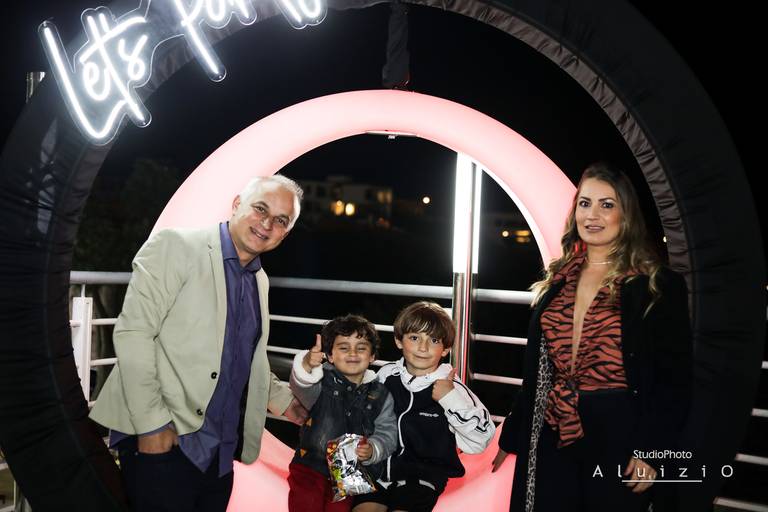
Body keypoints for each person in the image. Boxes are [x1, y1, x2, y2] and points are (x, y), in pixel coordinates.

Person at [90, 175, 306, 512]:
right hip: (165, 440)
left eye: (281, 220)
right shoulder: (176, 246)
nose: (267, 224)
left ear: (286, 232)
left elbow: (242, 357)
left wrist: (286, 403)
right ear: (237, 204)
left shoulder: (258, 279)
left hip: (221, 453)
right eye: (260, 209)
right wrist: (152, 426)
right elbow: (134, 334)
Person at [492, 163, 693, 512]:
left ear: (626, 215)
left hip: (620, 433)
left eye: (607, 205)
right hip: (554, 429)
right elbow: (538, 373)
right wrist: (512, 436)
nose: (592, 215)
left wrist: (652, 451)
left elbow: (674, 381)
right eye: (585, 204)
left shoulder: (656, 285)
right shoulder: (558, 280)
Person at [353, 301, 496, 512]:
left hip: (422, 478)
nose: (423, 347)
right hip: (379, 469)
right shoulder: (386, 375)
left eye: (434, 340)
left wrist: (449, 399)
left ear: (446, 349)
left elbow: (482, 438)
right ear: (399, 341)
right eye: (414, 338)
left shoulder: (452, 388)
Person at [288, 315, 398, 512]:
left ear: (372, 356)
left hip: (349, 471)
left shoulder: (381, 394)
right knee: (306, 504)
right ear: (330, 356)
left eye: (361, 348)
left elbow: (387, 432)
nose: (353, 353)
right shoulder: (320, 382)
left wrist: (373, 449)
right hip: (310, 465)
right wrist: (307, 364)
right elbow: (301, 386)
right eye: (344, 348)